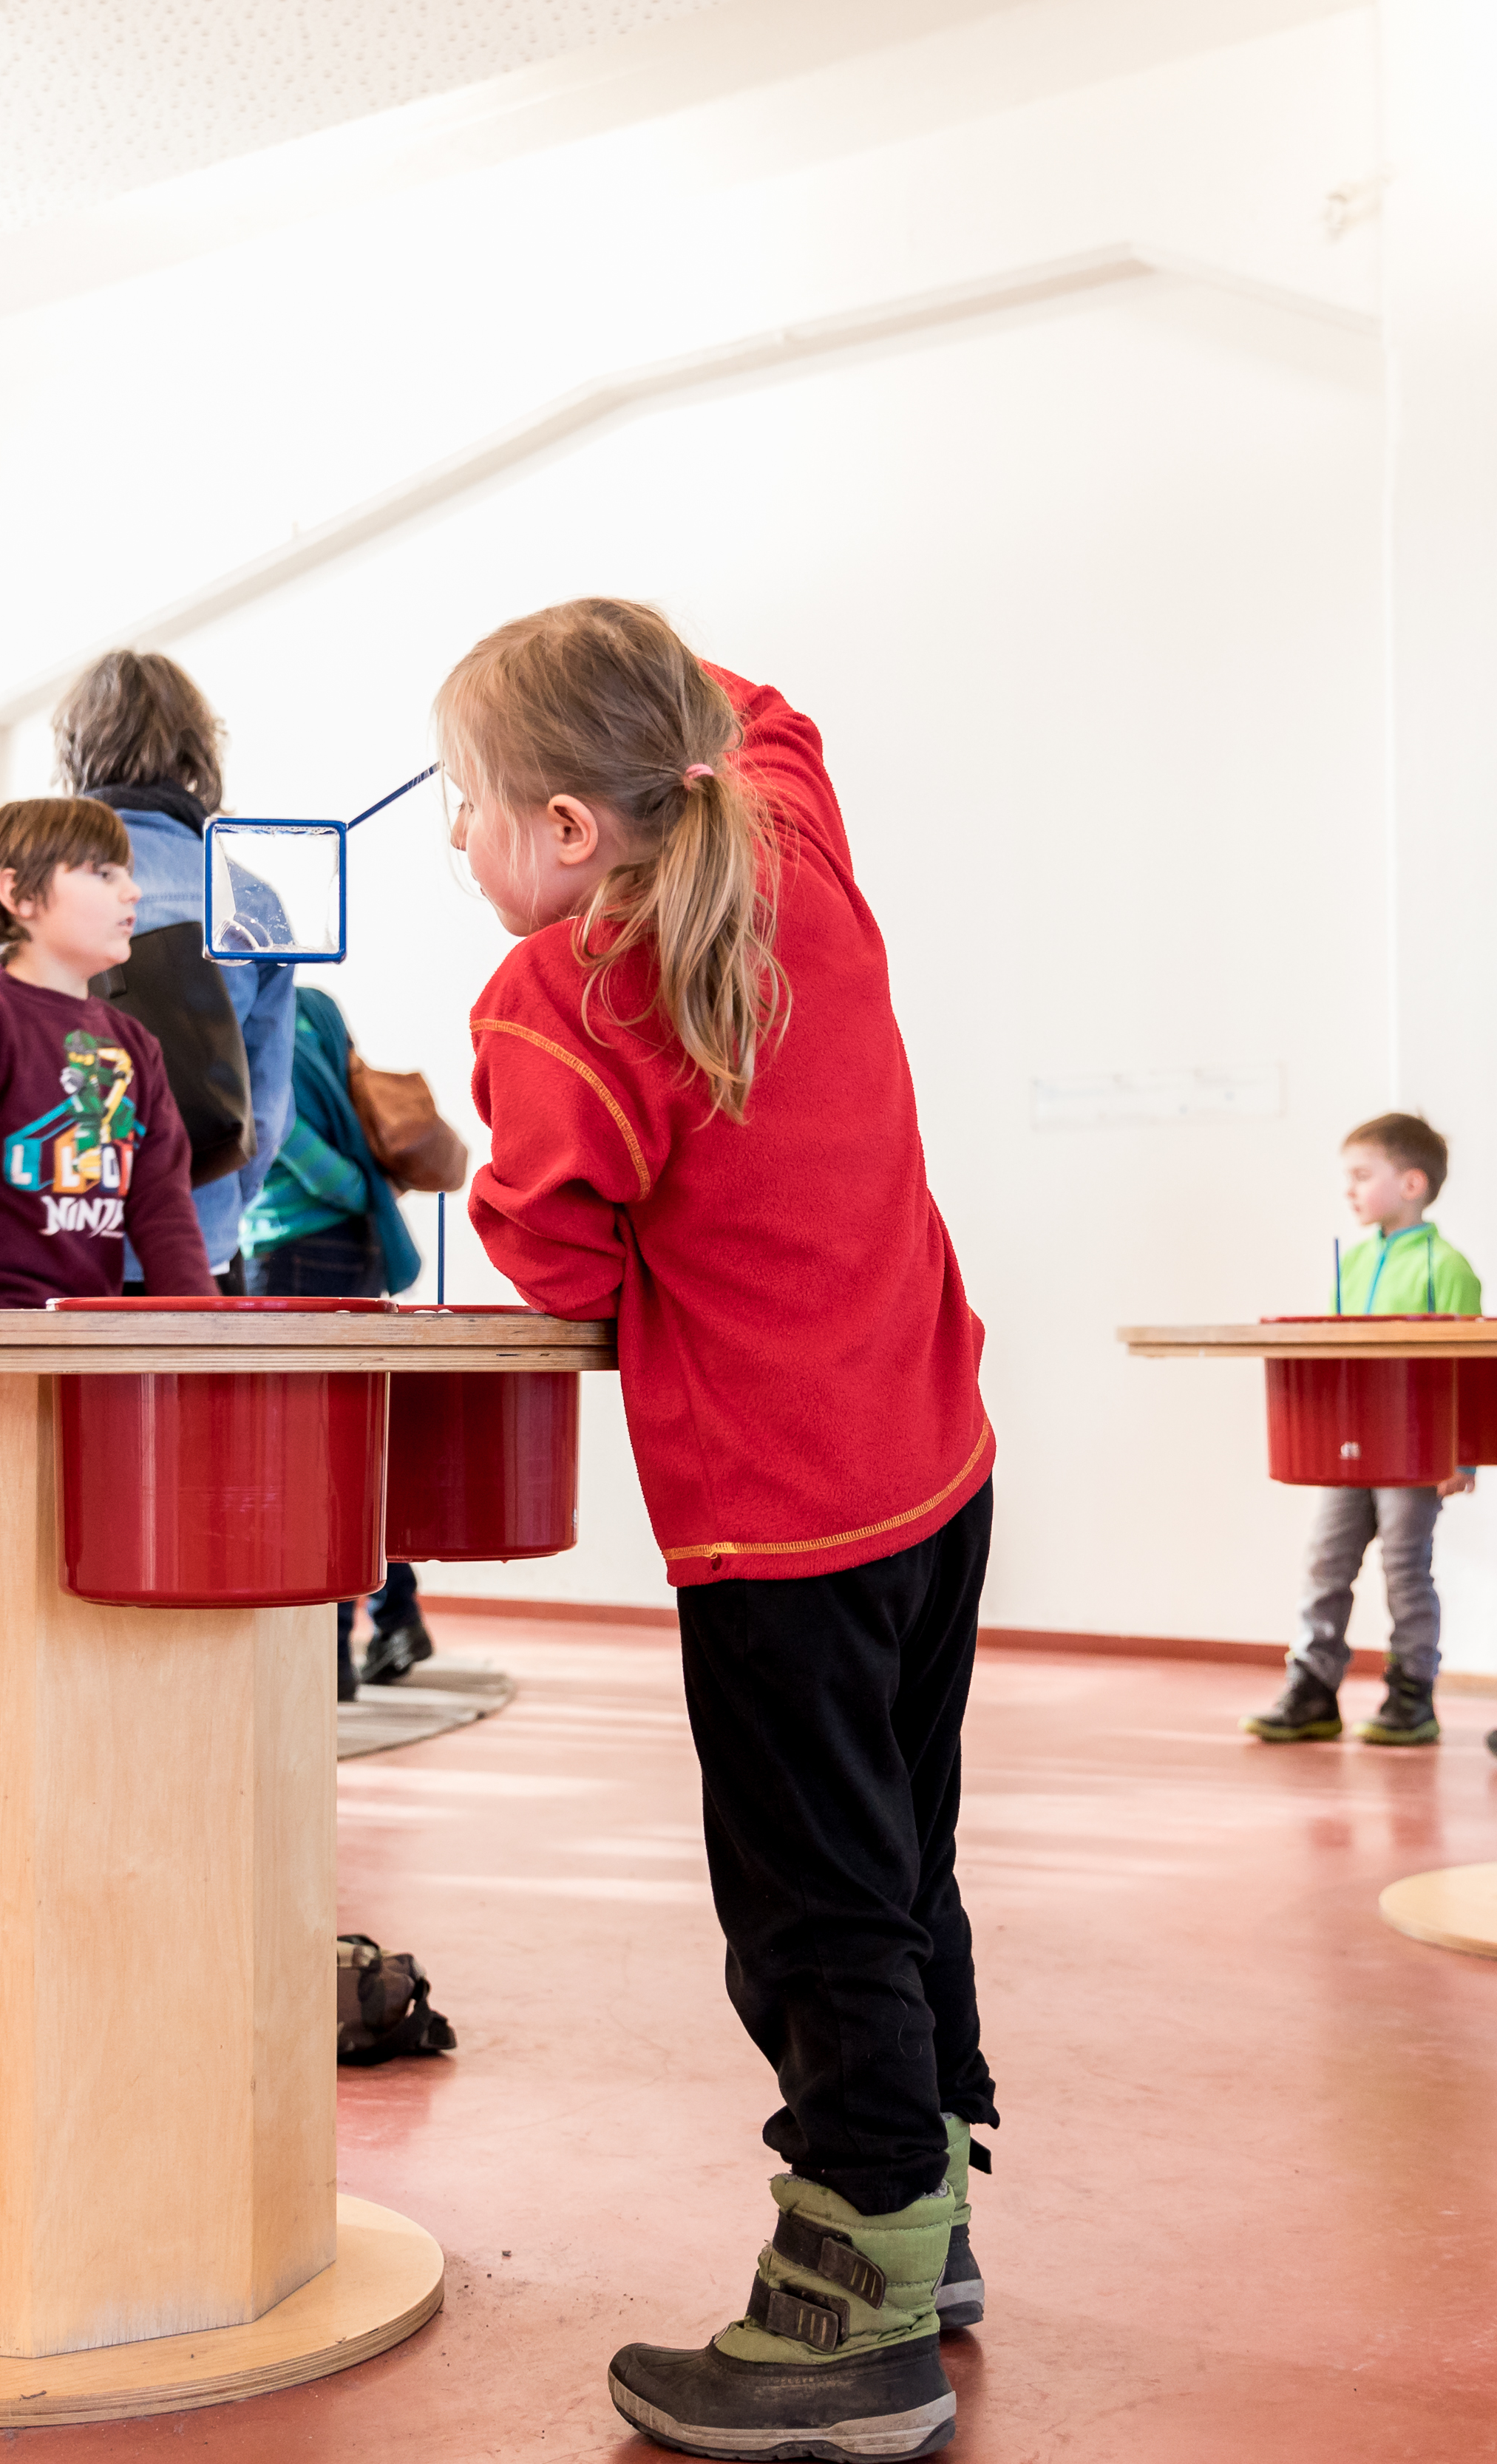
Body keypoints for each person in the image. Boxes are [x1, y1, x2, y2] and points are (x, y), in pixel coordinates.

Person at [447, 600, 990, 2463]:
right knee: (899, 1852)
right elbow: (766, 711)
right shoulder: (794, 858)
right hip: (931, 1456)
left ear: (571, 832)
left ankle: (855, 2310)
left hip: (776, 1523)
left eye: (470, 802)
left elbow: (554, 1249)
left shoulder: (559, 996)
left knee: (810, 1906)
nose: (457, 839)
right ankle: (935, 2208)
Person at [0, 651, 294, 1290]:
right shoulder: (248, 899)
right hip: (192, 1247)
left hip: (26, 1252)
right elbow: (265, 1110)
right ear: (197, 753)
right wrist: (215, 1206)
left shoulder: (13, 883)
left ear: (74, 751)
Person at [0, 798, 215, 1309]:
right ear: (18, 893)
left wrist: (206, 1345)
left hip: (88, 1339)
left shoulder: (136, 1046)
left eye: (127, 873)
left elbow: (165, 1213)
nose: (132, 890)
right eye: (103, 873)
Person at [1244, 1113, 1481, 1751]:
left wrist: (1463, 1455)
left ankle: (1411, 1696)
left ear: (1411, 1182)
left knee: (1406, 1570)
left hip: (1413, 1454)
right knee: (1326, 1562)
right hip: (1348, 1453)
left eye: (1361, 1176)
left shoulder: (1447, 1266)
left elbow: (1466, 1367)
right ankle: (1313, 1688)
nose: (1348, 1190)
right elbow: (1335, 1362)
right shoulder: (1349, 1262)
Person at [243, 985, 438, 1697]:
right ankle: (395, 1617)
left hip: (292, 1248)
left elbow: (277, 1131)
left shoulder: (257, 1022)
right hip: (350, 1250)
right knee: (350, 1451)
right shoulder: (314, 1003)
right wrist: (367, 1195)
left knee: (300, 1460)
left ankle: (326, 1657)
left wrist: (356, 1186)